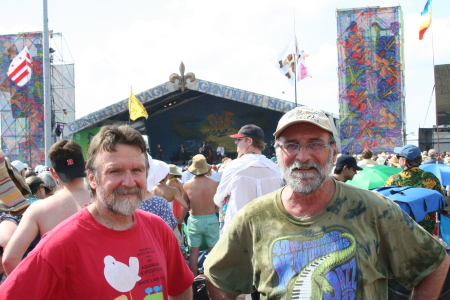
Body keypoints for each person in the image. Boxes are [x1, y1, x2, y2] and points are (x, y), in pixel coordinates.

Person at [204, 106, 449, 299]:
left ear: (333, 150)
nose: (303, 156)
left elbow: (434, 263)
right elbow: (217, 276)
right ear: (277, 153)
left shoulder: (375, 209)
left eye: (314, 143)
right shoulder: (253, 217)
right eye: (291, 145)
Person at [0, 125, 194, 299]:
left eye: (137, 170)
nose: (129, 182)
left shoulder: (158, 229)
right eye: (115, 171)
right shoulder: (59, 244)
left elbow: (180, 288)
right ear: (92, 178)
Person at [2, 139, 91, 276]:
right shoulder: (107, 205)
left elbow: (9, 260)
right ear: (85, 166)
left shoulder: (38, 209)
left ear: (53, 172)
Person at [214, 124, 282, 235]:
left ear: (249, 141)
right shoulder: (275, 169)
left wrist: (228, 196)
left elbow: (218, 200)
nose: (236, 142)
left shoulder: (234, 166)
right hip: (269, 232)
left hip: (239, 233)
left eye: (239, 139)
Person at [384, 144, 444, 234]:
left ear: (404, 160)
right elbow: (441, 202)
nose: (397, 159)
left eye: (398, 156)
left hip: (402, 228)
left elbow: (385, 203)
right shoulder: (431, 178)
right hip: (426, 230)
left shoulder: (394, 179)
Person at [183, 154, 219, 276]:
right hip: (211, 218)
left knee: (194, 252)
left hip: (195, 220)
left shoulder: (187, 185)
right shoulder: (214, 184)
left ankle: (194, 281)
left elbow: (186, 204)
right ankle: (213, 278)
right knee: (213, 251)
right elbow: (218, 203)